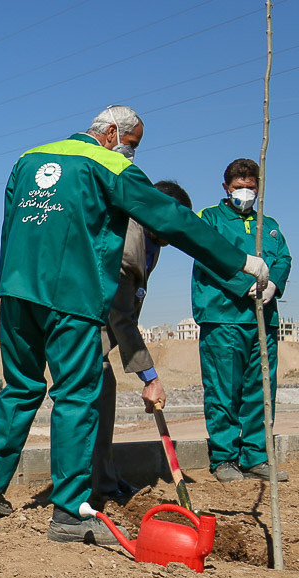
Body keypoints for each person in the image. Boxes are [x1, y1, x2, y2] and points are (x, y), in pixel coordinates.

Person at [0, 105, 268, 544]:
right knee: (77, 395)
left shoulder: (29, 159)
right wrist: (238, 260)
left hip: (15, 290)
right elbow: (171, 217)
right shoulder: (107, 164)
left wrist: (13, 279)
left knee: (22, 386)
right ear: (110, 133)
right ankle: (70, 513)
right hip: (70, 294)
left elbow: (12, 225)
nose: (131, 155)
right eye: (132, 145)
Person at [90, 180, 193, 507]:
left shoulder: (153, 242)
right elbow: (121, 317)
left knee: (103, 395)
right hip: (86, 333)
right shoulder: (129, 241)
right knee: (97, 394)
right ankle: (97, 486)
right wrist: (151, 378)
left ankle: (105, 479)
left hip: (104, 335)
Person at [193, 158, 291, 483]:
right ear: (226, 188)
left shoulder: (270, 224)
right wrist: (242, 284)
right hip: (224, 318)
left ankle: (256, 457)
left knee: (260, 390)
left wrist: (273, 284)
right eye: (239, 188)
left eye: (251, 188)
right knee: (223, 391)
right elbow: (209, 255)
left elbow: (283, 257)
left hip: (262, 319)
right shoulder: (211, 219)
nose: (245, 193)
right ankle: (224, 458)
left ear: (259, 188)